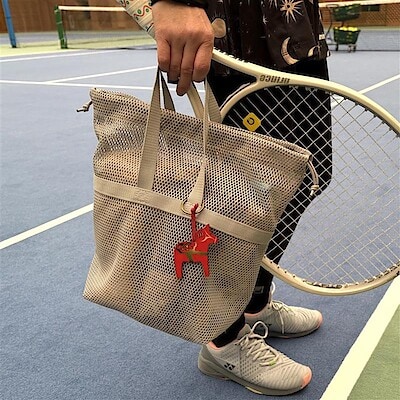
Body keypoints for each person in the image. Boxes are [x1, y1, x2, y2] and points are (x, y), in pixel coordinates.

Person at [150, 0, 331, 395]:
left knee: (309, 173)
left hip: (295, 26)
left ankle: (254, 304)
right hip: (237, 25)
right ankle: (223, 337)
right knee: (242, 197)